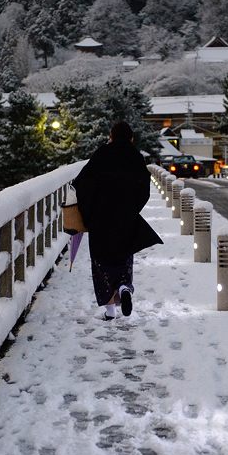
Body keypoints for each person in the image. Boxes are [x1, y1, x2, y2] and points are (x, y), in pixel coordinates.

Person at [72, 121, 163, 319]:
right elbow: (144, 188)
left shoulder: (101, 154)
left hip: (100, 218)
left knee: (101, 262)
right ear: (131, 138)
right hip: (125, 217)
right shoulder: (135, 156)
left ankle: (110, 310)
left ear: (111, 136)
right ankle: (124, 288)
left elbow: (80, 183)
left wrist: (89, 212)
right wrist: (131, 209)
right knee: (124, 256)